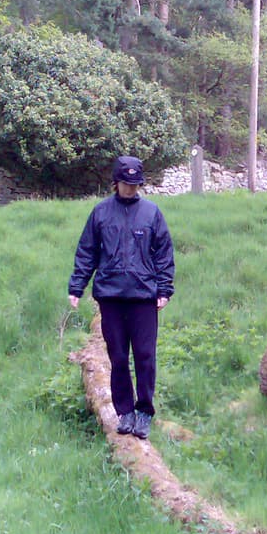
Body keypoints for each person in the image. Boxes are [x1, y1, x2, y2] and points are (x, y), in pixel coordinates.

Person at [68, 156, 175, 440]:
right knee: (117, 356)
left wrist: (164, 289)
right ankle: (124, 411)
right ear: (116, 183)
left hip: (143, 298)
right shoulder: (101, 213)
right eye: (127, 184)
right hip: (111, 296)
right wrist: (76, 287)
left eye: (136, 184)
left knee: (145, 356)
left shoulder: (152, 213)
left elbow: (164, 254)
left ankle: (144, 412)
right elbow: (87, 252)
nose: (131, 189)